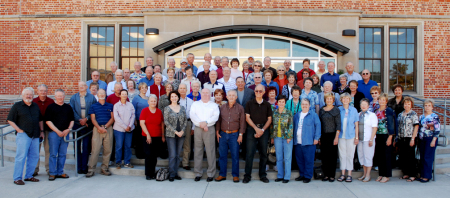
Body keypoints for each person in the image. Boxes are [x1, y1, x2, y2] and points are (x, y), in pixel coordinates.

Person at [8, 87, 44, 185]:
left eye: (31, 94)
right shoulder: (17, 106)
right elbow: (10, 119)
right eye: (27, 94)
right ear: (23, 95)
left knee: (34, 156)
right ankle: (17, 178)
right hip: (24, 135)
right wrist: (18, 130)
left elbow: (40, 119)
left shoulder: (35, 106)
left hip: (36, 135)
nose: (29, 96)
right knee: (21, 156)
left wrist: (41, 131)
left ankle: (29, 176)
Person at [243, 85, 273, 184]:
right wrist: (256, 129)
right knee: (250, 154)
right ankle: (247, 176)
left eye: (260, 91)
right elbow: (247, 117)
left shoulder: (267, 105)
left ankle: (262, 175)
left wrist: (262, 130)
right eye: (257, 91)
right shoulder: (249, 103)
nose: (258, 93)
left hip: (264, 130)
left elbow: (269, 119)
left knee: (263, 154)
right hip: (252, 129)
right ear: (254, 92)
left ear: (264, 92)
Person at [215, 90, 246, 183]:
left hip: (235, 134)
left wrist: (241, 134)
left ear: (236, 97)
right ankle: (222, 174)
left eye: (233, 95)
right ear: (227, 97)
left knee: (235, 155)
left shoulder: (240, 108)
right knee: (222, 155)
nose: (231, 97)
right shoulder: (222, 107)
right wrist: (217, 132)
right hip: (223, 134)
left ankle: (235, 175)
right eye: (230, 95)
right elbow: (219, 120)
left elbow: (242, 123)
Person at [190, 88, 220, 182]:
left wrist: (206, 123)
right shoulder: (195, 104)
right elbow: (192, 115)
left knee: (210, 151)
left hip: (209, 129)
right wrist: (201, 124)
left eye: (207, 93)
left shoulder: (214, 105)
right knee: (198, 151)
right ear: (201, 94)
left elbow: (215, 116)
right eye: (203, 93)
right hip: (198, 128)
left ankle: (211, 173)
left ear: (210, 94)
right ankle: (198, 173)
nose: (205, 94)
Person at [45, 89, 74, 181]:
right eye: (58, 96)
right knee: (53, 154)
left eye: (62, 96)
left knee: (62, 154)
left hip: (65, 133)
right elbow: (48, 121)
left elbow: (72, 120)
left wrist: (68, 129)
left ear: (64, 97)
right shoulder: (50, 107)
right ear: (55, 97)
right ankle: (52, 173)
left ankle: (60, 172)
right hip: (54, 133)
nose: (60, 98)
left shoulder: (68, 107)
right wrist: (57, 131)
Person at [69, 81, 97, 175]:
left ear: (86, 87)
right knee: (77, 147)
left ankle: (84, 167)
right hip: (77, 124)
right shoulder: (74, 97)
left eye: (83, 85)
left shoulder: (91, 97)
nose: (81, 87)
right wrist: (80, 120)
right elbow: (71, 110)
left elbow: (94, 109)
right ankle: (78, 167)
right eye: (80, 85)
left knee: (86, 147)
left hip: (87, 125)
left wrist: (86, 119)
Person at [86, 89, 114, 178]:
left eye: (103, 93)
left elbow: (113, 118)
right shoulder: (93, 106)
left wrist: (105, 127)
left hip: (108, 129)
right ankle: (91, 169)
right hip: (97, 129)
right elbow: (93, 119)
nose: (102, 95)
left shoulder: (110, 105)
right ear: (97, 95)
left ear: (105, 94)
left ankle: (104, 168)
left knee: (108, 150)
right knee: (95, 150)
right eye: (100, 93)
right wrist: (99, 128)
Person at [293, 98, 321, 183]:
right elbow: (293, 126)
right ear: (301, 105)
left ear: (309, 105)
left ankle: (308, 176)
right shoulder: (297, 115)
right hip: (298, 142)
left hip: (309, 142)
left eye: (306, 104)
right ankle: (302, 175)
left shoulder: (313, 115)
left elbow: (318, 126)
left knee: (309, 160)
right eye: (303, 104)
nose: (304, 106)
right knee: (300, 160)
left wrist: (316, 138)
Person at [139, 94, 165, 180]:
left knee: (154, 156)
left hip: (157, 136)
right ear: (148, 102)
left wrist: (162, 135)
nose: (153, 102)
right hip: (147, 136)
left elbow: (162, 124)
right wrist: (148, 135)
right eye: (151, 101)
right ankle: (148, 173)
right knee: (148, 155)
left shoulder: (159, 111)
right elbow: (142, 123)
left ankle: (153, 172)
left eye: (155, 101)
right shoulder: (144, 111)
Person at [270, 95, 293, 183]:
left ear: (285, 103)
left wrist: (289, 136)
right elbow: (272, 126)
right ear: (277, 102)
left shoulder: (289, 112)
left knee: (287, 158)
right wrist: (272, 136)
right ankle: (280, 175)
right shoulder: (274, 112)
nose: (281, 103)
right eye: (280, 102)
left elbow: (291, 125)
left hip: (286, 137)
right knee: (279, 157)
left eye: (283, 102)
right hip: (277, 137)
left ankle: (287, 177)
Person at [337, 93, 359, 182]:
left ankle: (349, 174)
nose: (345, 100)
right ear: (341, 100)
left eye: (347, 99)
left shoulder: (354, 110)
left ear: (350, 100)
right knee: (342, 155)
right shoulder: (338, 110)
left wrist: (357, 137)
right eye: (343, 99)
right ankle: (343, 174)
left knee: (350, 155)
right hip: (341, 136)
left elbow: (356, 125)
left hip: (351, 136)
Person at [32, 84, 54, 177]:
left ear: (47, 91)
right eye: (41, 91)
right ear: (38, 91)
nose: (43, 92)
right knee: (35, 150)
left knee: (48, 150)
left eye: (44, 90)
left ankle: (48, 169)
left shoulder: (51, 101)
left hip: (48, 129)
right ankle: (34, 169)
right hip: (36, 130)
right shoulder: (33, 101)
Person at [319, 93, 341, 182]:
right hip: (323, 135)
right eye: (327, 99)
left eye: (330, 99)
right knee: (324, 156)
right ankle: (326, 175)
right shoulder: (321, 110)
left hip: (332, 135)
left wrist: (336, 137)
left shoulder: (336, 110)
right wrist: (319, 137)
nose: (329, 100)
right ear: (325, 100)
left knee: (332, 156)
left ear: (333, 100)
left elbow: (338, 124)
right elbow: (319, 123)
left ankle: (332, 175)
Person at [374, 93, 396, 183]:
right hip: (378, 135)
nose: (382, 101)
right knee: (379, 155)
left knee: (387, 155)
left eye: (383, 100)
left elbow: (392, 124)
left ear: (386, 101)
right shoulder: (376, 111)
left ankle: (386, 175)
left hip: (386, 135)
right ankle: (381, 174)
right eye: (380, 99)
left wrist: (390, 137)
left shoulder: (389, 110)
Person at [396, 96, 419, 182]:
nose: (407, 105)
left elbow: (416, 127)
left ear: (411, 105)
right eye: (405, 103)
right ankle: (406, 173)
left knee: (411, 157)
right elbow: (398, 127)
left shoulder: (413, 114)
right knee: (403, 157)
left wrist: (413, 139)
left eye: (408, 104)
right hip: (401, 138)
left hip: (410, 138)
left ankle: (413, 175)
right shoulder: (400, 114)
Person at [418, 99, 440, 183]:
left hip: (430, 138)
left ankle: (427, 176)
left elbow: (437, 129)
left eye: (429, 105)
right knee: (422, 157)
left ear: (432, 107)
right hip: (422, 138)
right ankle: (422, 174)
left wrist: (434, 140)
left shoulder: (434, 116)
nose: (427, 107)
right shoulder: (421, 116)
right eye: (426, 105)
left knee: (428, 157)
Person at [357, 98, 378, 182]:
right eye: (362, 104)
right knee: (361, 157)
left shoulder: (372, 115)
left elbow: (374, 128)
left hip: (368, 139)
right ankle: (364, 174)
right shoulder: (359, 114)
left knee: (368, 157)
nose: (363, 106)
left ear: (368, 106)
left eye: (365, 104)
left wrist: (371, 139)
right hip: (360, 139)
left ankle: (368, 175)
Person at [113, 89, 135, 169]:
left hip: (129, 129)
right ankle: (118, 162)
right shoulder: (116, 106)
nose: (124, 96)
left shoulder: (130, 105)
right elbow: (116, 117)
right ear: (120, 95)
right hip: (119, 129)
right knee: (119, 146)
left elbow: (133, 115)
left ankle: (127, 162)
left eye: (125, 94)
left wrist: (130, 125)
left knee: (128, 146)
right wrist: (125, 127)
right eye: (122, 94)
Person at [234, 77, 255, 159]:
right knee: (236, 136)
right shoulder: (233, 92)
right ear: (236, 84)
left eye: (242, 82)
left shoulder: (250, 92)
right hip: (235, 118)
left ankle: (244, 154)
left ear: (244, 83)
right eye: (238, 82)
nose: (240, 83)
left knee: (246, 136)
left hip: (247, 117)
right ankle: (237, 153)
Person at [178, 84, 195, 170]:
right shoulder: (175, 100)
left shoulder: (191, 101)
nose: (182, 90)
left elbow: (193, 115)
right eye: (181, 88)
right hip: (177, 124)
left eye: (184, 88)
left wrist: (193, 128)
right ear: (178, 90)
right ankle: (176, 162)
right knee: (176, 144)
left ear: (187, 90)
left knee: (187, 144)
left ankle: (185, 163)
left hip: (188, 123)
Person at [132, 83, 150, 159]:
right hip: (139, 121)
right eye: (142, 88)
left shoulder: (149, 98)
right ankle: (139, 154)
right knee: (139, 138)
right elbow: (133, 110)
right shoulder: (136, 98)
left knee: (146, 138)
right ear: (139, 89)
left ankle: (146, 153)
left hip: (148, 122)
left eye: (145, 88)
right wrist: (135, 120)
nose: (144, 89)